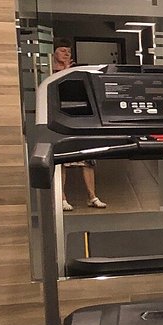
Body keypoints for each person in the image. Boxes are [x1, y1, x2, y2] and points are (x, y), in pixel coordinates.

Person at [52, 40, 107, 211]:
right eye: (62, 50)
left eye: (68, 51)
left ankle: (92, 196)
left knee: (87, 159)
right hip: (60, 119)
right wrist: (63, 72)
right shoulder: (48, 71)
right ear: (54, 53)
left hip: (80, 117)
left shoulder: (76, 70)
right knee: (62, 160)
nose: (66, 54)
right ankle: (62, 198)